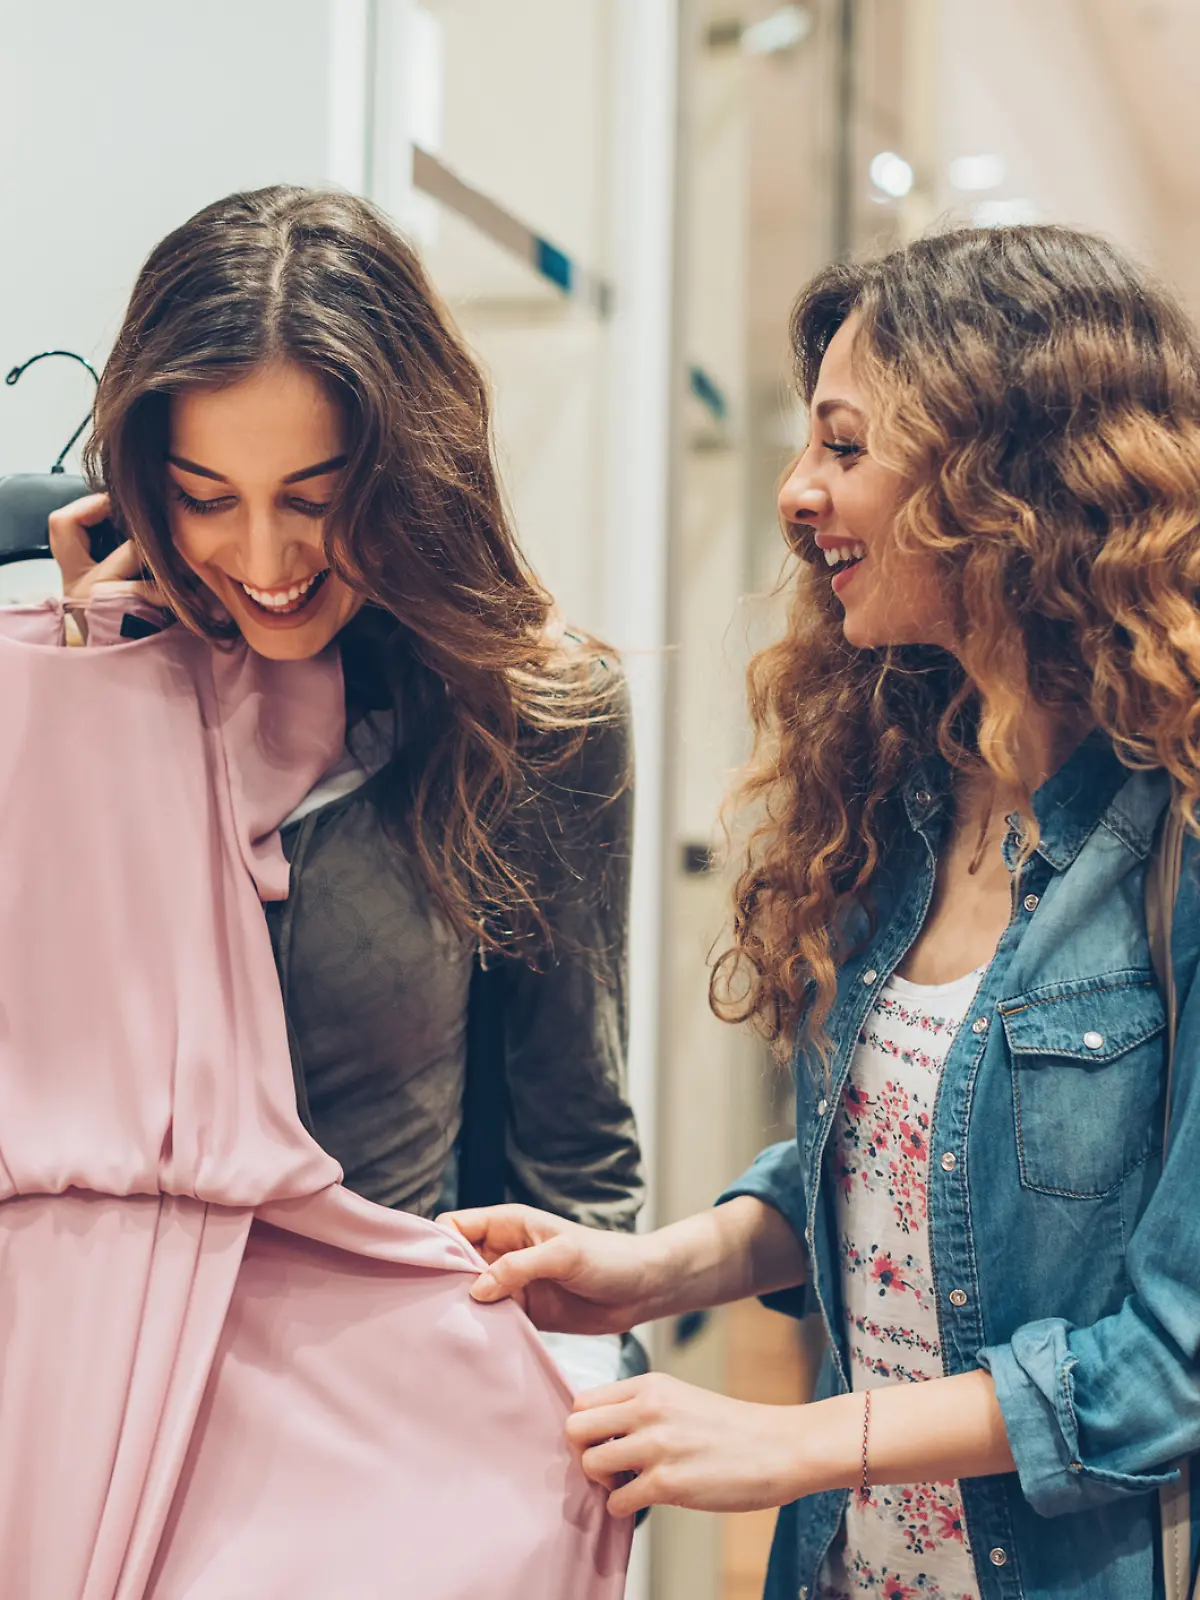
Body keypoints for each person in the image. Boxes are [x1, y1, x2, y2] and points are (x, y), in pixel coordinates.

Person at [443, 224, 1200, 1599]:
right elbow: (907, 1167)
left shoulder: (1179, 840)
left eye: (846, 448)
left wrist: (795, 1443)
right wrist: (652, 1270)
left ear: (1007, 474)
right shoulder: (911, 790)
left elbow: (1172, 1365)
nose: (798, 492)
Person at [50, 183, 643, 1391]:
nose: (264, 562)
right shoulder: (72, 676)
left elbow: (574, 1149)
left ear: (412, 471)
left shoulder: (535, 714)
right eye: (207, 498)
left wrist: (570, 1434)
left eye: (316, 502)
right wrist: (85, 708)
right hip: (86, 1391)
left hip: (385, 1415)